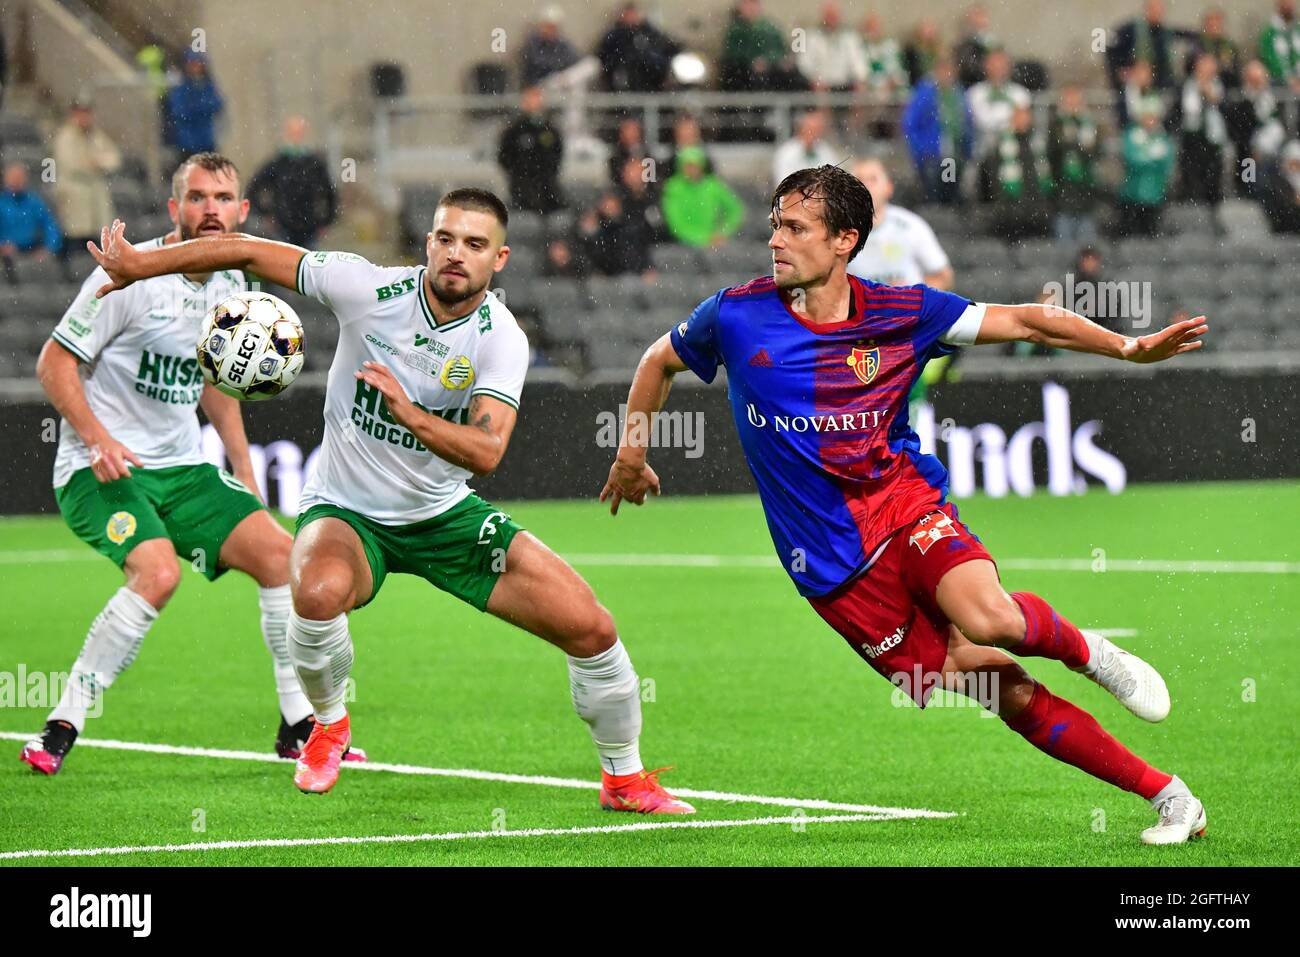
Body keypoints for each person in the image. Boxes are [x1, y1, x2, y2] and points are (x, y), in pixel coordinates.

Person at [603, 163, 1211, 845]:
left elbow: (1029, 322)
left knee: (992, 619)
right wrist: (632, 451)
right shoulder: (735, 315)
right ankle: (1170, 795)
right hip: (833, 570)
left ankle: (1086, 650)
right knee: (1001, 689)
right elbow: (657, 361)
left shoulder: (904, 312)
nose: (775, 239)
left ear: (844, 240)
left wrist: (1127, 346)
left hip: (903, 506)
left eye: (795, 227)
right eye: (775, 223)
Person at [87, 187, 694, 814]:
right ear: (429, 242)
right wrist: (140, 265)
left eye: (475, 244)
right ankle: (329, 724)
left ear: (500, 259)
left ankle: (623, 780)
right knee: (316, 593)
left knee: (591, 627)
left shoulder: (500, 338)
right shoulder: (367, 288)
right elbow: (246, 249)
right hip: (347, 511)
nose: (457, 253)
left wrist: (408, 411)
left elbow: (487, 452)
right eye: (446, 238)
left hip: (440, 513)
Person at [19, 153, 347, 776]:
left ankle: (296, 724)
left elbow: (215, 384)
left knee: (285, 560)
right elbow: (53, 364)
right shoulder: (127, 275)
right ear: (175, 209)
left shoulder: (233, 284)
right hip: (99, 471)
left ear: (243, 212)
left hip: (182, 470)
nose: (210, 210)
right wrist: (96, 439)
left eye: (223, 198)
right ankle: (62, 721)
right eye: (196, 198)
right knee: (158, 574)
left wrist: (244, 469)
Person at [847, 158, 952, 289]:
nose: (865, 186)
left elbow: (943, 276)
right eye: (859, 180)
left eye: (873, 179)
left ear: (888, 187)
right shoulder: (838, 231)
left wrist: (910, 296)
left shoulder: (911, 226)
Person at [52, 102, 121, 280]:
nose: (84, 118)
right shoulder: (65, 137)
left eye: (87, 113)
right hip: (75, 197)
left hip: (95, 198)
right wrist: (96, 163)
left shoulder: (95, 135)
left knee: (98, 246)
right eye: (80, 113)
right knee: (75, 242)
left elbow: (114, 158)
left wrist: (97, 162)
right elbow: (73, 164)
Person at [247, 116, 338, 248]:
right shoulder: (278, 163)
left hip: (310, 228)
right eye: (293, 131)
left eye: (299, 131)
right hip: (283, 227)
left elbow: (330, 192)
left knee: (308, 264)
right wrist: (265, 214)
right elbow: (254, 188)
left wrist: (326, 221)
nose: (296, 135)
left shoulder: (314, 163)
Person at [520, 7, 601, 143]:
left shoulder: (562, 43)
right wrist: (559, 74)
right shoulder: (533, 44)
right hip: (543, 87)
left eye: (553, 27)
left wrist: (566, 76)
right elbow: (538, 67)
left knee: (590, 67)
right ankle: (573, 135)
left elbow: (578, 61)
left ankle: (573, 135)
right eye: (548, 26)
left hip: (564, 84)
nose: (551, 30)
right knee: (574, 88)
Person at [901, 57, 973, 205]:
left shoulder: (958, 95)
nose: (946, 75)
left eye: (949, 71)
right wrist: (921, 149)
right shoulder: (926, 94)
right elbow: (910, 124)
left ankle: (947, 216)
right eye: (943, 71)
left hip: (951, 154)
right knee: (932, 190)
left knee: (950, 188)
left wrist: (967, 149)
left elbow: (966, 123)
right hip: (931, 154)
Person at [497, 87, 566, 215]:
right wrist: (519, 173)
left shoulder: (550, 128)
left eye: (537, 98)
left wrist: (547, 172)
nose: (535, 103)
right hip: (522, 189)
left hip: (548, 188)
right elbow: (504, 156)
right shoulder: (515, 130)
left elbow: (557, 154)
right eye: (531, 99)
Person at [661, 145, 745, 248]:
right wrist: (703, 239)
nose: (692, 169)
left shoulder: (713, 185)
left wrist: (722, 233)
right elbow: (676, 224)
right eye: (688, 166)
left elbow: (736, 211)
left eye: (695, 165)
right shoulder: (673, 188)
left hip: (716, 245)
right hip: (684, 246)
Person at [1047, 85, 1101, 243]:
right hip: (1063, 196)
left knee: (1088, 246)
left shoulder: (1089, 125)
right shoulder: (1056, 125)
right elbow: (1054, 154)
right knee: (1064, 247)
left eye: (1076, 101)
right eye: (1069, 101)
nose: (1072, 105)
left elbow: (1094, 154)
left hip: (1086, 196)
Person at [1178, 53, 1227, 216]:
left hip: (1213, 135)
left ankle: (1213, 206)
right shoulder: (1187, 84)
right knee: (1193, 172)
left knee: (1213, 173)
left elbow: (1221, 104)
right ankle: (1194, 205)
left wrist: (1209, 93)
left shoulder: (1219, 84)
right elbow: (1187, 109)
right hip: (1193, 135)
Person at [720, 0, 805, 93]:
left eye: (754, 4)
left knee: (794, 77)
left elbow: (780, 50)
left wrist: (774, 60)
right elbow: (734, 54)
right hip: (746, 71)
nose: (751, 8)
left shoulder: (770, 27)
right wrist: (752, 61)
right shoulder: (735, 30)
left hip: (773, 69)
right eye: (747, 4)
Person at [0, 162, 63, 284]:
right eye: (13, 178)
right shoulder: (2, 203)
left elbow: (51, 226)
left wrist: (48, 248)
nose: (16, 182)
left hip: (32, 247)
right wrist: (2, 245)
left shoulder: (34, 202)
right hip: (8, 252)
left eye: (19, 178)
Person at [596, 2, 680, 94]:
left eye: (633, 14)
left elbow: (668, 47)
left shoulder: (650, 33)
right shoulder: (615, 35)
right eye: (628, 14)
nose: (631, 17)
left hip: (652, 81)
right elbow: (605, 56)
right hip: (623, 81)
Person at [1118, 105, 1175, 237]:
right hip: (1133, 192)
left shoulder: (1162, 138)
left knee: (1150, 232)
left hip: (1155, 194)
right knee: (1131, 233)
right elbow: (1131, 161)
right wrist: (1152, 162)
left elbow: (1166, 165)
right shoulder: (1132, 136)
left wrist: (1146, 161)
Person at [166, 51, 224, 157]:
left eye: (198, 64)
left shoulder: (208, 86)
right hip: (187, 143)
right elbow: (179, 111)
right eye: (192, 64)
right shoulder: (181, 87)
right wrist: (200, 109)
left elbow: (217, 105)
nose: (195, 68)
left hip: (207, 141)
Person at [772, 110, 839, 187]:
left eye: (818, 130)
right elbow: (784, 182)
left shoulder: (826, 150)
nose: (815, 133)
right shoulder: (786, 152)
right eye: (811, 129)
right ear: (801, 129)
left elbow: (834, 177)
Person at [1259, 0, 1300, 91]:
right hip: (1278, 83)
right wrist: (1289, 79)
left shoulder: (1298, 29)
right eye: (1285, 3)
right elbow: (1269, 60)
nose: (1289, 6)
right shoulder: (1269, 33)